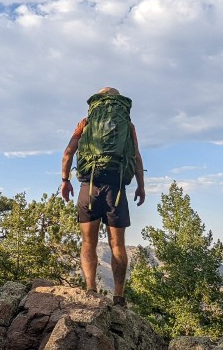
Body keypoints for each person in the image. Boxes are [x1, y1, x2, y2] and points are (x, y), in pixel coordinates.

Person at [60, 87, 145, 307]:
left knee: (89, 242)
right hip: (115, 188)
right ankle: (118, 297)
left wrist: (65, 180)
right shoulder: (128, 126)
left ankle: (91, 291)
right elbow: (136, 157)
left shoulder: (86, 123)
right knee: (117, 244)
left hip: (89, 187)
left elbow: (68, 153)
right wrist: (141, 186)